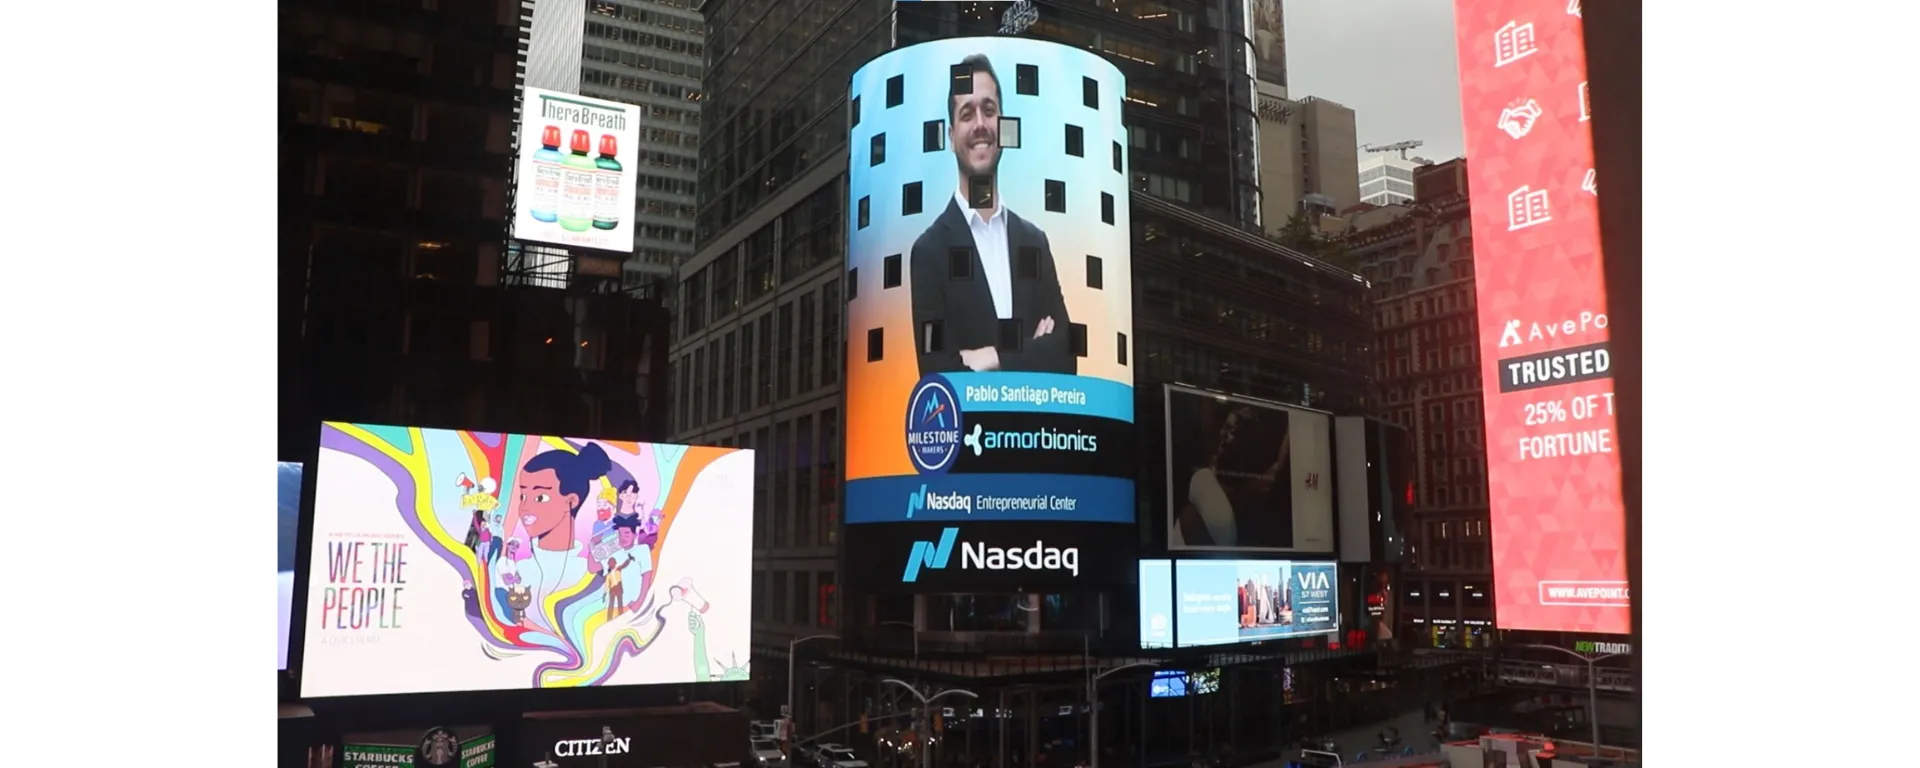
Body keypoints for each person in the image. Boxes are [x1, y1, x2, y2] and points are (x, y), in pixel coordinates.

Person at [910, 53, 1074, 377]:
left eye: (989, 110)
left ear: (1005, 127)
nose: (981, 125)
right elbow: (938, 369)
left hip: (1036, 428)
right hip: (973, 428)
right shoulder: (929, 253)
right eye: (967, 114)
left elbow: (1066, 355)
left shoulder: (1034, 242)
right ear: (951, 136)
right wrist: (1032, 353)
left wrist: (991, 356)